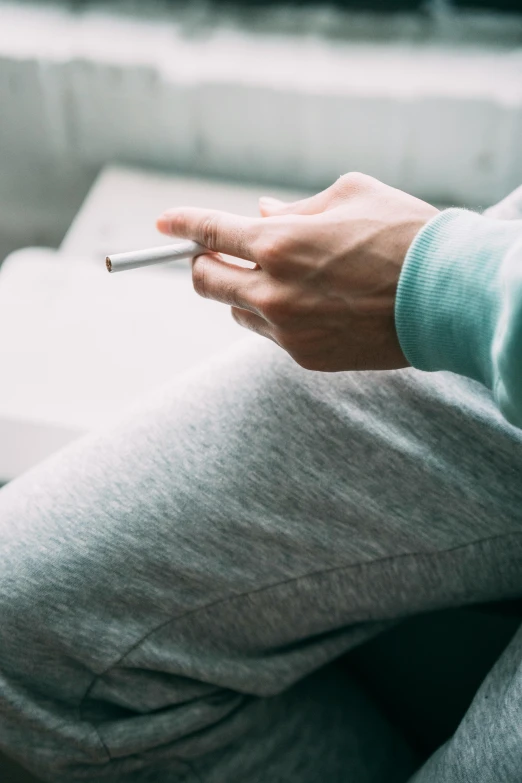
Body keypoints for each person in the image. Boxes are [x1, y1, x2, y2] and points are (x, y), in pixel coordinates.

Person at [0, 173, 521, 783]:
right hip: (496, 302)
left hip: (482, 294)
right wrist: (468, 277)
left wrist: (442, 279)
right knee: (25, 629)